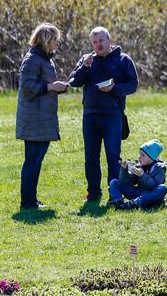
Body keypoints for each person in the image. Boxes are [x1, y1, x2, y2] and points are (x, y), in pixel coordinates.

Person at [68, 26, 139, 202]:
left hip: (113, 115)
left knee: (113, 155)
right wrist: (84, 68)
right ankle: (93, 193)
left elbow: (133, 85)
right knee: (91, 157)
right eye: (94, 42)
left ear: (109, 40)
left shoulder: (123, 60)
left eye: (101, 41)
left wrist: (114, 89)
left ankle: (114, 193)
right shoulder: (87, 60)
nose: (98, 45)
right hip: (90, 115)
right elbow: (74, 82)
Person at [16, 23, 68, 211]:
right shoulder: (32, 60)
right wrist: (51, 87)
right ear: (46, 40)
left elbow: (43, 85)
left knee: (36, 161)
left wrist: (57, 87)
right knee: (32, 161)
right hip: (33, 120)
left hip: (42, 118)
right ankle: (27, 202)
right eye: (55, 39)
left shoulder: (45, 59)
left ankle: (31, 199)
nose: (57, 43)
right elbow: (28, 88)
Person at [108, 139, 167, 210]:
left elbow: (154, 186)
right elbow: (125, 182)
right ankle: (117, 202)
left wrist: (142, 175)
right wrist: (124, 170)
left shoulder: (159, 168)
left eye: (142, 155)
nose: (139, 157)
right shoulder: (140, 165)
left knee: (163, 188)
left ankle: (135, 203)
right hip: (138, 193)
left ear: (152, 157)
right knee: (114, 182)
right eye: (139, 154)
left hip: (150, 196)